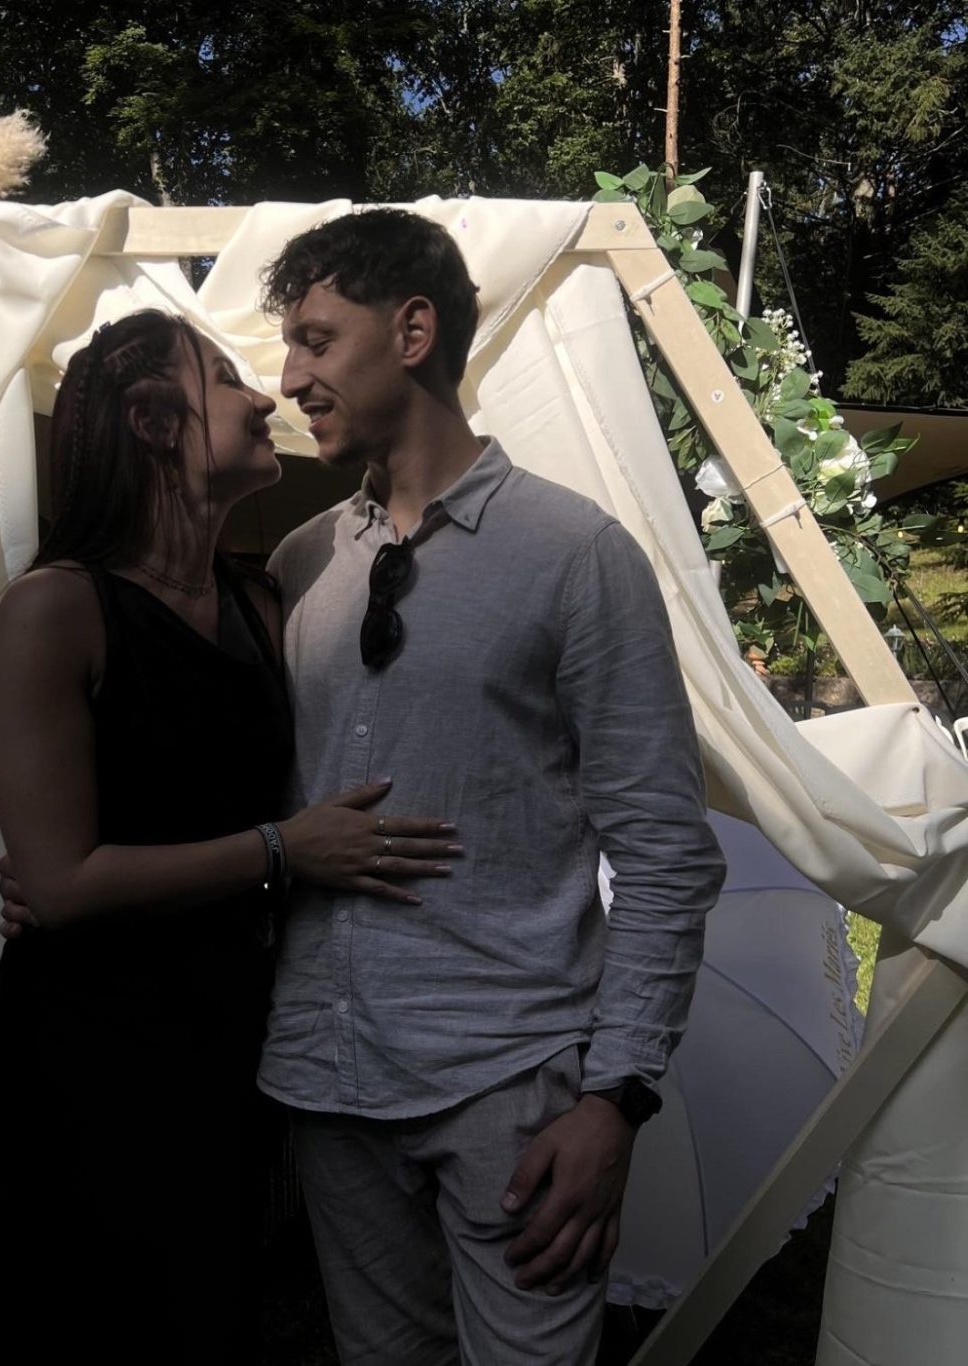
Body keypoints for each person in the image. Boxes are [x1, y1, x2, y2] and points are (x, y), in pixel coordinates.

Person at [250, 209, 727, 1365]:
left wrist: (614, 1096)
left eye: (316, 339)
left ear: (412, 331)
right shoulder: (301, 564)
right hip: (327, 1078)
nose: (290, 377)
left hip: (510, 1092)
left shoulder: (574, 556)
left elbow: (665, 850)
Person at [0, 307, 457, 1365]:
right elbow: (59, 885)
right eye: (227, 377)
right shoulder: (54, 611)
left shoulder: (260, 599)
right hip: (94, 1058)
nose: (262, 395)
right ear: (154, 422)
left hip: (236, 1036)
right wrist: (281, 851)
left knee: (218, 1321)